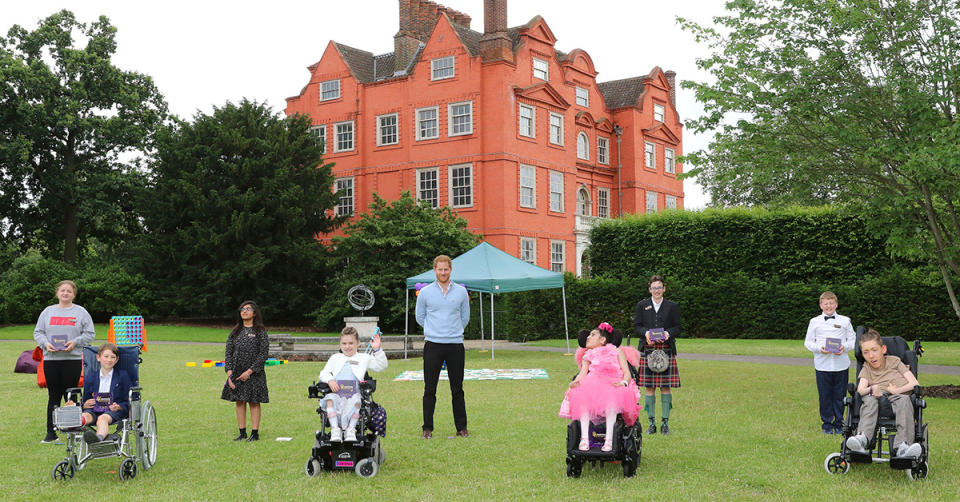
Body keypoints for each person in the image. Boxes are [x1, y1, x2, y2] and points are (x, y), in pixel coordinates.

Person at [559, 325, 640, 452]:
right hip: (593, 385)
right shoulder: (588, 355)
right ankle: (584, 439)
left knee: (611, 403)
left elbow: (627, 373)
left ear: (602, 340)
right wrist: (575, 382)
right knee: (583, 401)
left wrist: (624, 383)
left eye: (592, 335)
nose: (588, 337)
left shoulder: (617, 352)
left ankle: (609, 440)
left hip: (613, 384)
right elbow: (583, 373)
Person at [415, 254, 470, 439]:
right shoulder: (425, 293)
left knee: (457, 389)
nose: (443, 272)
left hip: (455, 345)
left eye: (446, 269)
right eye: (440, 269)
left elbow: (465, 317)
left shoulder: (461, 292)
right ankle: (427, 428)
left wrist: (453, 331)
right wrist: (434, 331)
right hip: (433, 345)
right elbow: (420, 317)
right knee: (430, 389)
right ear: (435, 270)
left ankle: (461, 428)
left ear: (450, 270)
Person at [34, 280, 95, 443]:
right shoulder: (48, 311)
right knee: (53, 396)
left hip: (72, 360)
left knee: (71, 396)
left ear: (73, 294)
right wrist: (45, 344)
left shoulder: (81, 312)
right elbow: (38, 332)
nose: (65, 293)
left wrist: (75, 342)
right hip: (51, 360)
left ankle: (73, 432)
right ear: (57, 293)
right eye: (62, 290)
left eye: (69, 291)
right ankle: (51, 433)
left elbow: (90, 334)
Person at [845, 329, 922, 459]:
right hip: (876, 397)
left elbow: (914, 384)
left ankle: (902, 446)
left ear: (883, 349)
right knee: (869, 400)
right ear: (862, 355)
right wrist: (872, 389)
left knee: (904, 401)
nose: (871, 356)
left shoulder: (895, 361)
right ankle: (862, 439)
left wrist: (897, 390)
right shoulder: (867, 368)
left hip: (898, 395)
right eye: (866, 352)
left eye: (874, 350)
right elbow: (860, 390)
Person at [317, 327, 388, 442]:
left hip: (354, 394)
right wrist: (330, 380)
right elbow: (323, 373)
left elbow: (381, 366)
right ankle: (336, 430)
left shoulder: (364, 358)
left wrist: (377, 349)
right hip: (337, 394)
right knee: (329, 400)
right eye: (344, 343)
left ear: (358, 343)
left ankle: (351, 430)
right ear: (340, 344)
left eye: (351, 343)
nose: (347, 346)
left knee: (357, 401)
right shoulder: (335, 358)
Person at [633, 275, 681, 435]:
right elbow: (637, 326)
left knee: (666, 387)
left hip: (666, 349)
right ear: (650, 290)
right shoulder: (642, 305)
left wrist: (667, 333)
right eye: (654, 288)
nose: (657, 290)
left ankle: (665, 423)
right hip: (648, 349)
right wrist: (646, 333)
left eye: (659, 287)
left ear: (664, 289)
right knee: (650, 387)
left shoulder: (672, 306)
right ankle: (652, 423)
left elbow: (678, 327)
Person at [803, 291, 855, 434]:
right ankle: (827, 425)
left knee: (840, 396)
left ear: (836, 304)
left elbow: (853, 340)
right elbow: (807, 342)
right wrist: (820, 349)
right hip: (822, 365)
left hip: (841, 365)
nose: (828, 306)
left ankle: (839, 424)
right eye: (825, 303)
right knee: (825, 396)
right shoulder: (814, 322)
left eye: (831, 303)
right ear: (821, 305)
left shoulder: (846, 320)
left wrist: (844, 348)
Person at [221, 300, 270, 442]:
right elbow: (228, 352)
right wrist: (229, 371)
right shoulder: (235, 331)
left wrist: (249, 372)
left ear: (254, 313)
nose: (244, 311)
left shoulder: (260, 331)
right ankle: (242, 432)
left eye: (248, 309)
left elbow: (263, 354)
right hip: (236, 372)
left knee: (254, 402)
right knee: (239, 401)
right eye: (242, 309)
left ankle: (255, 433)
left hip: (254, 373)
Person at [66, 343, 132, 444]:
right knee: (85, 416)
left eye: (112, 357)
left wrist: (118, 406)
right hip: (93, 410)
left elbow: (128, 400)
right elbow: (86, 400)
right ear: (98, 357)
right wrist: (84, 404)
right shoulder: (90, 377)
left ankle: (98, 440)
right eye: (106, 356)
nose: (109, 360)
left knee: (102, 418)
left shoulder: (122, 376)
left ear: (116, 359)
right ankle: (72, 423)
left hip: (113, 411)